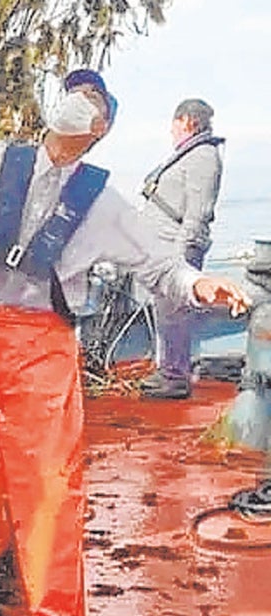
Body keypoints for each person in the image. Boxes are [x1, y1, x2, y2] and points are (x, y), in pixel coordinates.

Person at [0, 71, 248, 616]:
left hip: (42, 344)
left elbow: (161, 268)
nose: (79, 102)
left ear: (102, 128)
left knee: (48, 480)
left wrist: (201, 286)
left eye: (93, 99)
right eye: (73, 91)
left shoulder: (105, 204)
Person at [138, 99, 225, 399]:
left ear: (187, 121)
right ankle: (168, 369)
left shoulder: (203, 155)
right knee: (166, 312)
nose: (171, 131)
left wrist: (180, 257)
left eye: (174, 124)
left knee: (175, 313)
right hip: (163, 249)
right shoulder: (191, 155)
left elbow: (197, 212)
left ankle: (175, 378)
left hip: (177, 250)